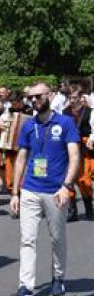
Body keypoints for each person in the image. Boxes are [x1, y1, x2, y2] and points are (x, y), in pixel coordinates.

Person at [9, 82, 80, 296]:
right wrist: (14, 193)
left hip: (56, 191)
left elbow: (75, 156)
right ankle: (25, 287)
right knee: (27, 239)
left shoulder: (65, 123)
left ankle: (58, 277)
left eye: (38, 97)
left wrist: (66, 186)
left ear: (49, 95)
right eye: (30, 98)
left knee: (57, 237)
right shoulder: (29, 125)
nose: (34, 101)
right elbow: (21, 158)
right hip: (30, 189)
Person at [64, 84, 93, 221]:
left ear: (81, 97)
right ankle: (72, 211)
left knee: (84, 180)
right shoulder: (65, 112)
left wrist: (91, 139)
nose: (72, 100)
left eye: (75, 97)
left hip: (84, 148)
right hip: (69, 147)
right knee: (69, 179)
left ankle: (89, 208)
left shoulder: (89, 111)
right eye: (70, 97)